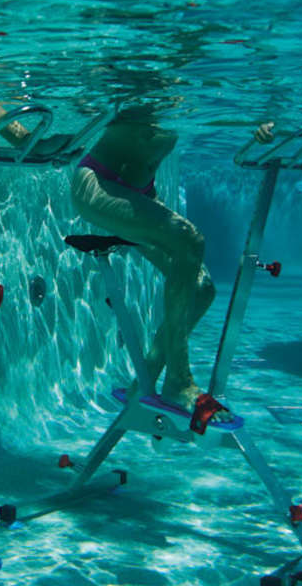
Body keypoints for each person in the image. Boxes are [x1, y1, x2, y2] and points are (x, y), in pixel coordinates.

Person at [68, 106, 274, 408]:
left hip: (141, 193)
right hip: (99, 183)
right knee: (190, 240)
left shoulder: (181, 95)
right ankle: (178, 379)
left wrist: (255, 122)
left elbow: (214, 107)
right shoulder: (137, 90)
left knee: (202, 290)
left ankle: (145, 378)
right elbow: (92, 105)